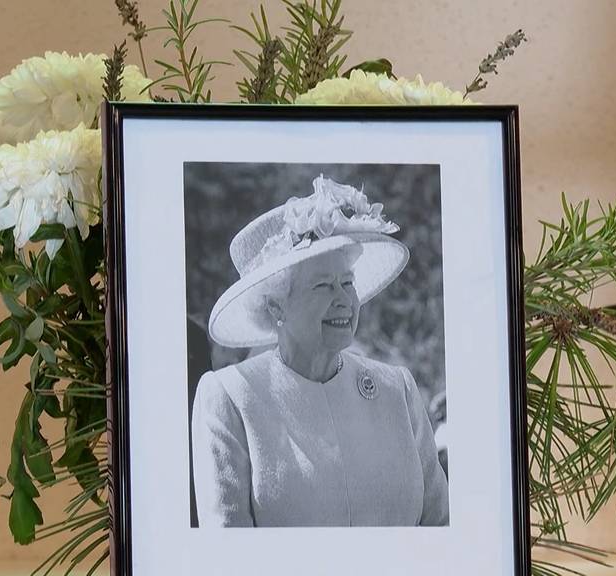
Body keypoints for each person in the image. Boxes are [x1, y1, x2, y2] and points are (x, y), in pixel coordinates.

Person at [191, 174, 449, 528]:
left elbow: (440, 528)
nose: (344, 299)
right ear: (277, 308)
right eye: (323, 286)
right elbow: (226, 555)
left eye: (347, 283)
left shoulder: (397, 390)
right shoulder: (231, 397)